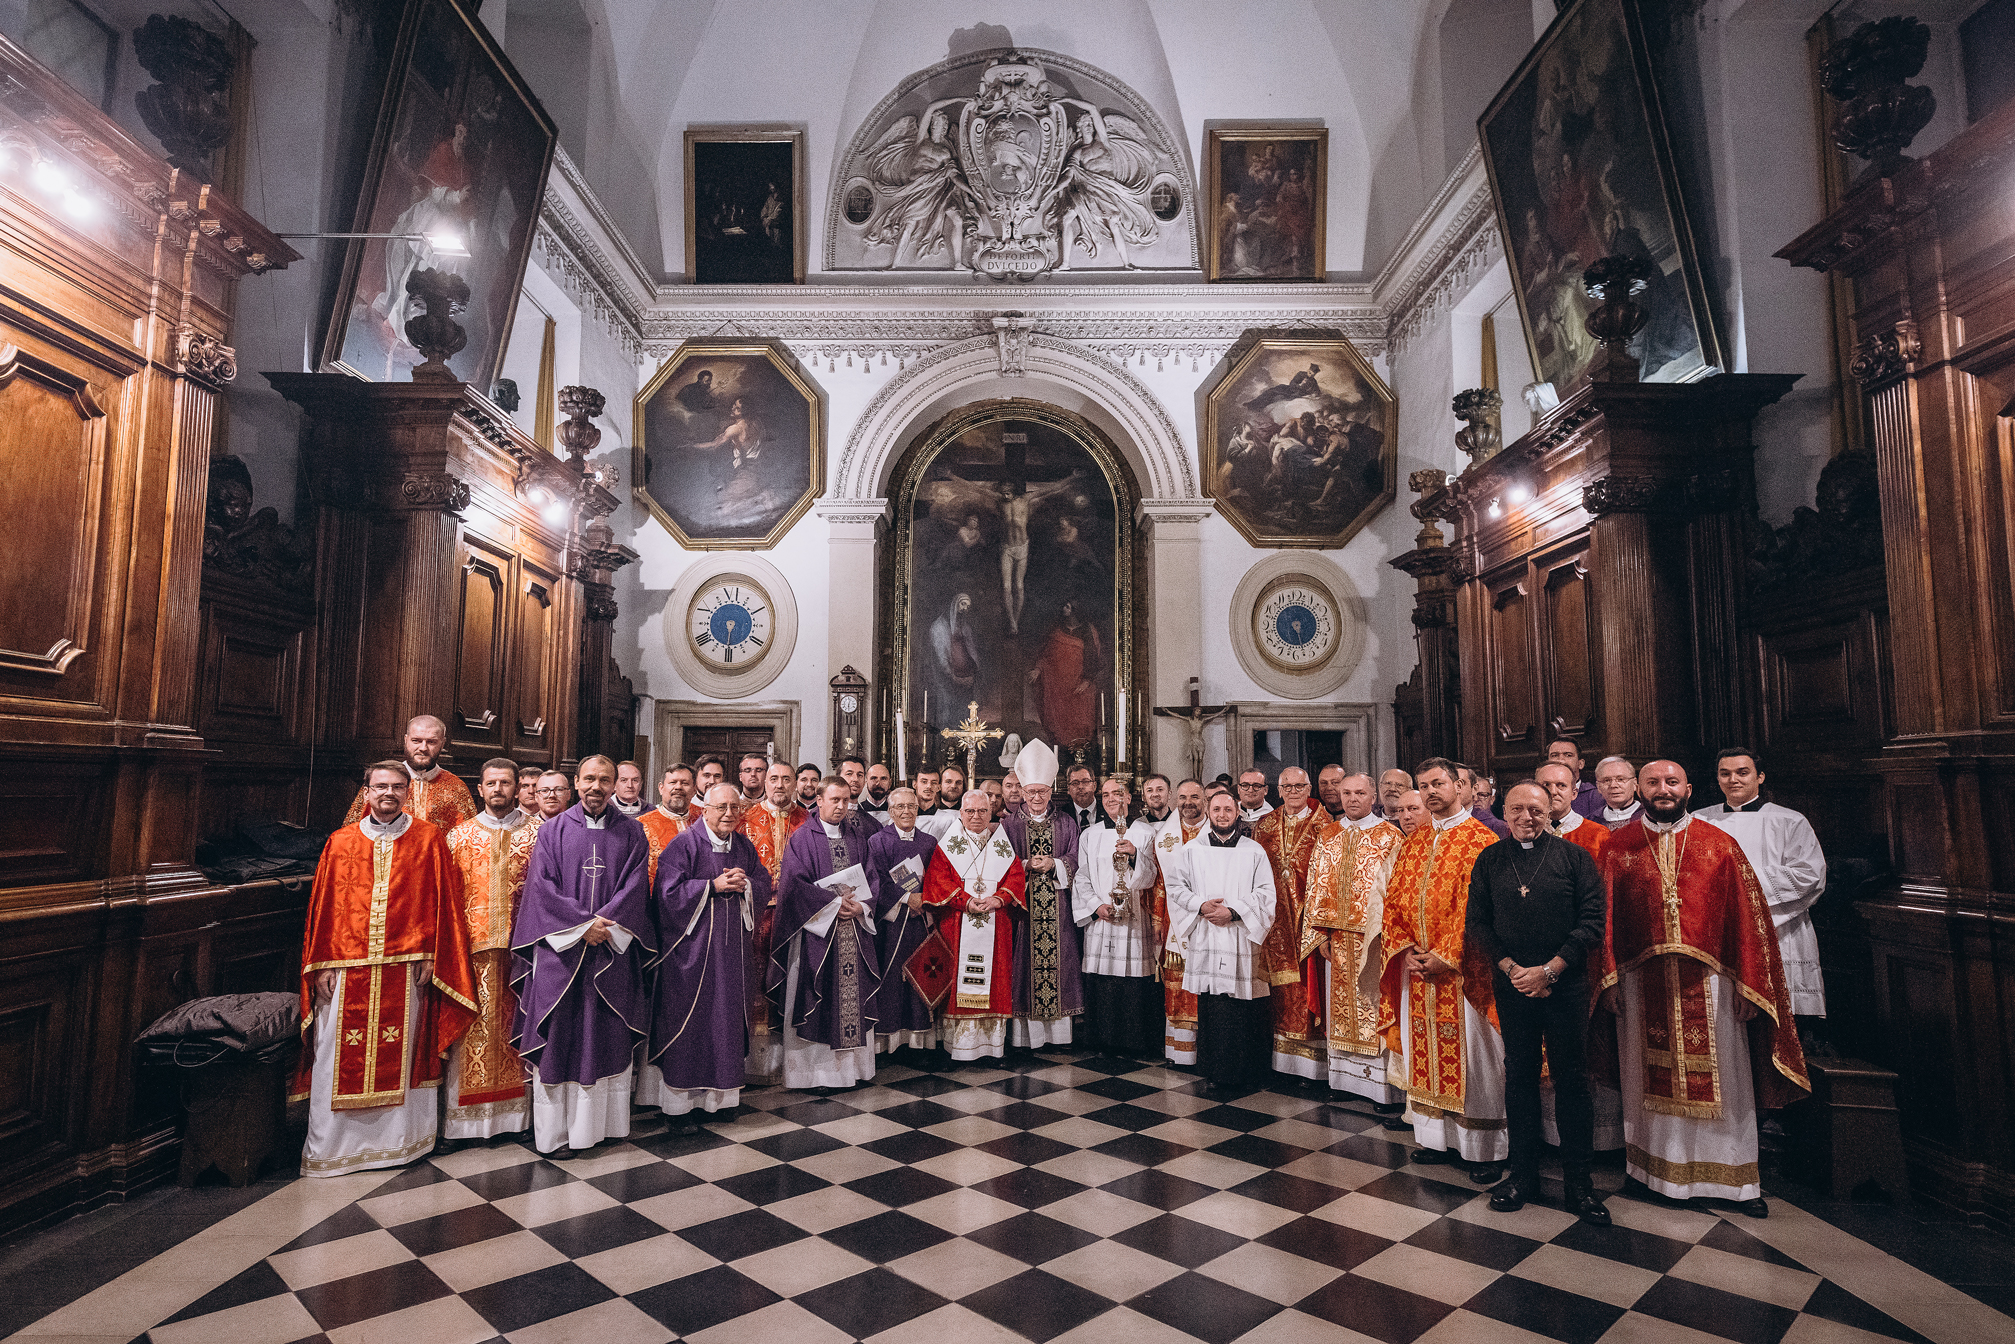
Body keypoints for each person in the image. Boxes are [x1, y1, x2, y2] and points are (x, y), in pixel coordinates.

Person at [1595, 761, 1809, 1216]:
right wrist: (1607, 979)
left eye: (1672, 782)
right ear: (1640, 789)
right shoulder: (1619, 847)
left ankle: (1736, 1183)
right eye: (1652, 783)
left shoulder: (1720, 845)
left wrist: (1748, 985)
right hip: (1638, 985)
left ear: (1688, 788)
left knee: (1727, 1084)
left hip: (1712, 987)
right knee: (1642, 1078)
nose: (1663, 790)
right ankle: (1650, 1173)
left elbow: (1748, 924)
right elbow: (1605, 923)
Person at [296, 762, 477, 1175]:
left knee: (408, 1050)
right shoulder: (340, 842)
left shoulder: (429, 839)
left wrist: (433, 955)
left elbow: (440, 904)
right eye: (381, 787)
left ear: (408, 792)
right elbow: (323, 909)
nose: (389, 793)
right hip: (345, 967)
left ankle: (401, 1144)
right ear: (366, 791)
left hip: (407, 965)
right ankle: (333, 1149)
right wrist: (321, 962)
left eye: (397, 786)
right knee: (333, 1054)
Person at [1466, 783, 1609, 1224]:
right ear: (1503, 813)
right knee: (1520, 1078)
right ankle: (1522, 1176)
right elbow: (1478, 924)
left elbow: (1592, 922)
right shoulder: (1490, 859)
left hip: (1565, 984)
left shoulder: (1574, 859)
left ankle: (1579, 1185)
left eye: (1536, 809)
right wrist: (1514, 971)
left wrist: (1550, 970)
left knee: (1571, 1080)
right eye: (1518, 809)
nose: (1527, 816)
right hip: (1513, 985)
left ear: (1550, 813)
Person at [511, 756, 655, 1154]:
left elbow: (634, 887)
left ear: (615, 785)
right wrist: (580, 927)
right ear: (577, 782)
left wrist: (603, 926)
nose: (596, 786)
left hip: (610, 948)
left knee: (606, 1032)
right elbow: (541, 888)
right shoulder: (552, 830)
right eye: (589, 778)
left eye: (604, 780)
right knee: (560, 1035)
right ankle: (555, 1132)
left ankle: (603, 1127)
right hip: (563, 953)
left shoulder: (632, 832)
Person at [1379, 758, 1507, 1182]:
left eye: (1438, 783)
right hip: (1418, 969)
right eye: (1423, 785)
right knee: (1424, 1053)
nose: (1431, 791)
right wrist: (1409, 949)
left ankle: (1482, 1148)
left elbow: (1478, 909)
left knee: (1476, 1059)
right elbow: (1395, 899)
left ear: (1458, 785)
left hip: (1465, 973)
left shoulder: (1481, 840)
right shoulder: (1415, 841)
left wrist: (1446, 955)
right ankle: (1436, 1139)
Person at [641, 784, 772, 1120]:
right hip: (692, 955)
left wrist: (746, 884)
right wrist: (712, 886)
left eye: (734, 807)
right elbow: (667, 895)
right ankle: (679, 1105)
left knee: (726, 1020)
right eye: (721, 807)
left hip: (732, 956)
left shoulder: (742, 845)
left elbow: (763, 880)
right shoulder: (684, 844)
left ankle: (722, 1099)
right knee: (691, 1023)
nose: (729, 813)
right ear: (705, 809)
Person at [441, 759, 538, 1147]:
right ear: (479, 789)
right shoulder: (458, 836)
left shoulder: (538, 833)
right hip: (471, 952)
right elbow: (446, 897)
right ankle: (463, 1125)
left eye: (505, 783)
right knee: (471, 1034)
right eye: (491, 783)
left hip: (523, 954)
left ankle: (518, 1119)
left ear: (516, 788)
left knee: (519, 1030)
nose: (498, 789)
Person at [1695, 748, 1828, 1020]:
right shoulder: (1698, 820)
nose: (1733, 779)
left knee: (1777, 1013)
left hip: (1778, 926)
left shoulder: (1789, 820)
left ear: (1760, 777)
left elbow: (1810, 874)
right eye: (1725, 773)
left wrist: (1741, 888)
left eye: (1742, 772)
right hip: (1720, 926)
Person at [770, 778, 884, 1088]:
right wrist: (833, 903)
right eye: (834, 799)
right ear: (818, 801)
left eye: (846, 800)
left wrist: (861, 907)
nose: (840, 806)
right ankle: (814, 1075)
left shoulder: (859, 838)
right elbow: (793, 887)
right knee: (818, 997)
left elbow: (873, 880)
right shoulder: (802, 839)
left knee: (852, 997)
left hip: (854, 932)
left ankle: (854, 1070)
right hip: (817, 937)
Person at [1302, 773, 1406, 1106]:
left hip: (1372, 938)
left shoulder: (1390, 835)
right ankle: (1344, 1082)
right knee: (1340, 1012)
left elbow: (1396, 889)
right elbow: (1315, 885)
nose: (1351, 798)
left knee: (1373, 1006)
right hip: (1336, 938)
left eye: (1359, 792)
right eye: (1346, 792)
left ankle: (1380, 1089)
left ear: (1373, 795)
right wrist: (1319, 935)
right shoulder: (1328, 833)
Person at [1167, 789, 1277, 1092]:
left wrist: (1234, 911)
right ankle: (1213, 1069)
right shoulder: (1191, 850)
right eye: (1216, 809)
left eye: (1228, 810)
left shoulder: (1253, 851)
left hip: (1239, 935)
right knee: (1212, 1003)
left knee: (1239, 1004)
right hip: (1206, 935)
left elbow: (1267, 894)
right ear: (1208, 811)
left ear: (1237, 813)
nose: (1222, 815)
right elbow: (1175, 888)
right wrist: (1202, 906)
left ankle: (1242, 1070)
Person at [918, 789, 1028, 1059]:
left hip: (995, 923)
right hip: (957, 923)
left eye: (982, 811)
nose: (976, 816)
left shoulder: (1001, 845)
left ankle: (991, 1048)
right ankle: (958, 1049)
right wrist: (964, 901)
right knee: (957, 980)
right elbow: (938, 880)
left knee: (995, 981)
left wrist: (1000, 900)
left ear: (991, 813)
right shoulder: (948, 845)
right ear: (961, 813)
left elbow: (1015, 877)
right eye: (970, 811)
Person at [1251, 767, 1340, 1080]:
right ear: (1278, 789)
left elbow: (1332, 878)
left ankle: (1311, 1068)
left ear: (1308, 788)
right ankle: (1280, 1065)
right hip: (1274, 922)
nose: (1292, 791)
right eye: (1286, 786)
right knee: (1277, 990)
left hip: (1307, 922)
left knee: (1306, 987)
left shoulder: (1326, 824)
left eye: (1298, 786)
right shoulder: (1264, 825)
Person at [1003, 740, 1083, 1050]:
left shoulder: (1065, 822)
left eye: (1043, 792)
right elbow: (1001, 864)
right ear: (1021, 792)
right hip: (1023, 911)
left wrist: (1056, 863)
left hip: (1058, 906)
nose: (1037, 797)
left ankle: (1058, 1035)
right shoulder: (1008, 826)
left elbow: (1076, 858)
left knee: (1059, 962)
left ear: (1051, 791)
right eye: (1031, 792)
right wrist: (1023, 864)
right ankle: (1028, 1036)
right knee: (1024, 965)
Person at [1075, 776, 1162, 1057]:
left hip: (1136, 920)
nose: (1112, 798)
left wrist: (1136, 854)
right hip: (1102, 919)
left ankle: (1135, 1041)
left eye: (1118, 793)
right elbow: (1081, 876)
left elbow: (1154, 879)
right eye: (1106, 794)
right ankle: (1100, 1041)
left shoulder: (1146, 833)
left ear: (1129, 798)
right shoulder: (1090, 834)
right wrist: (1096, 906)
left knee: (1134, 979)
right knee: (1103, 980)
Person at [737, 760, 810, 1081]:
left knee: (792, 981)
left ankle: (790, 1060)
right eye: (774, 779)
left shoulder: (808, 820)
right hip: (754, 916)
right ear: (764, 783)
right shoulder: (744, 819)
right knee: (753, 983)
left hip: (796, 918)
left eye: (786, 779)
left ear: (795, 784)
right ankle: (751, 1064)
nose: (779, 785)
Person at [867, 786, 940, 1053]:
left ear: (918, 809)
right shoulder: (878, 841)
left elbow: (937, 877)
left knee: (921, 975)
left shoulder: (929, 842)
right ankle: (889, 1042)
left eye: (911, 806)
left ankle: (919, 1041)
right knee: (891, 980)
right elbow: (876, 881)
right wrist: (906, 899)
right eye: (900, 807)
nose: (906, 811)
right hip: (892, 923)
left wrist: (926, 899)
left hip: (921, 922)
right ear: (890, 811)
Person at [1152, 779, 1210, 1064]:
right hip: (1174, 921)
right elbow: (1161, 882)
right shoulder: (1166, 835)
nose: (1189, 802)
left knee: (1205, 985)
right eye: (1184, 796)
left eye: (1195, 797)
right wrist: (1156, 920)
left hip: (1209, 921)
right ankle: (1180, 1052)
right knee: (1177, 983)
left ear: (1205, 801)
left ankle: (1207, 1050)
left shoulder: (1217, 831)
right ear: (1176, 799)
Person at [342, 714, 477, 831]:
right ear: (406, 740)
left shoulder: (457, 788)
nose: (423, 748)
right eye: (416, 741)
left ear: (442, 744)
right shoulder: (378, 781)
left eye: (431, 742)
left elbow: (468, 839)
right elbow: (353, 833)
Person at [1536, 763, 1608, 865]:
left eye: (1561, 785)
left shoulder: (1598, 835)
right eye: (1546, 785)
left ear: (1574, 793)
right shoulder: (1525, 832)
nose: (1553, 791)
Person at [642, 763, 696, 885]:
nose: (678, 787)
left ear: (694, 790)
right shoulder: (641, 825)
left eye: (685, 783)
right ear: (661, 788)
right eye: (673, 782)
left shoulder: (705, 822)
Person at [1547, 737, 1605, 821]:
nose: (1561, 760)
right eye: (1554, 755)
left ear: (1580, 764)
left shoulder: (1596, 796)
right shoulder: (1539, 794)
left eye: (1568, 755)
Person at [1459, 765, 1512, 839]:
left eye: (1482, 795)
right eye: (1473, 795)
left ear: (1492, 799)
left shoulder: (1501, 827)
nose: (1476, 799)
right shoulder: (1457, 824)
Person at [1594, 755, 1641, 829]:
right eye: (1607, 780)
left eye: (1621, 779)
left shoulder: (1651, 817)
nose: (1613, 785)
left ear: (1634, 784)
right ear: (1599, 787)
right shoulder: (1591, 822)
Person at [1064, 764, 1100, 832]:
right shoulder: (1062, 814)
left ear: (1094, 786)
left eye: (1085, 782)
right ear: (1068, 789)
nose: (1080, 787)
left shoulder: (1107, 811)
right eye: (1075, 783)